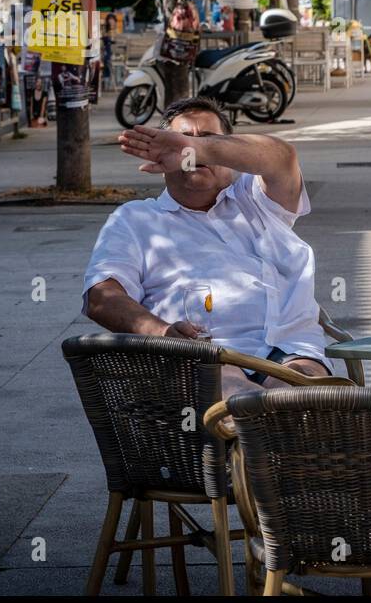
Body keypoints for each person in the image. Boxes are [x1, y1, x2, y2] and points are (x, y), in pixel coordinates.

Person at [83, 96, 330, 396]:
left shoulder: (256, 199)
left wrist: (197, 149)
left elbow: (282, 157)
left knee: (309, 404)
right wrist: (162, 333)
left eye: (208, 140)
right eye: (180, 140)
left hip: (291, 351)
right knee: (240, 405)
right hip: (204, 357)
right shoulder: (135, 219)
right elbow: (100, 298)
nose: (189, 149)